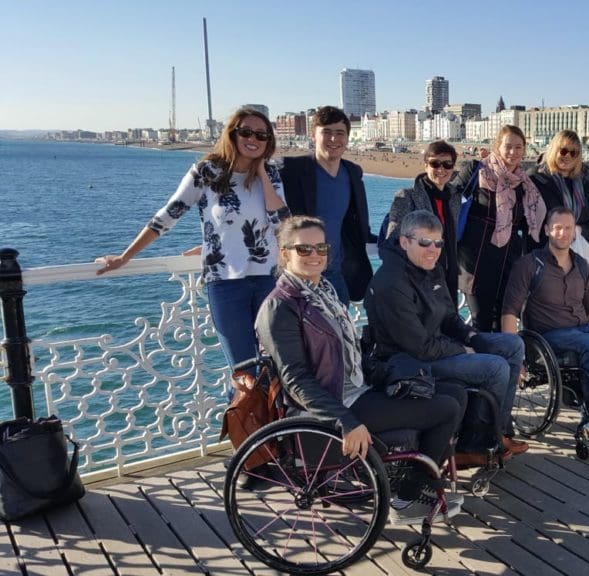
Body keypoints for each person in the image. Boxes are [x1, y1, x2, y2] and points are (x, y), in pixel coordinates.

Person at [255, 215, 466, 525]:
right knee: (445, 408)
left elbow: (349, 353)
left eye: (321, 247)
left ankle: (414, 482)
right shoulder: (281, 307)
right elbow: (296, 380)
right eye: (304, 249)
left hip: (358, 389)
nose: (315, 255)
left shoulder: (323, 291)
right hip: (334, 405)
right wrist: (345, 420)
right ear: (284, 253)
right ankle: (407, 495)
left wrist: (386, 375)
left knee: (455, 391)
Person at [96, 107, 289, 371]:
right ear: (232, 134)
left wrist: (262, 174)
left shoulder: (271, 173)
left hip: (270, 278)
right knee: (244, 369)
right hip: (226, 282)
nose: (253, 139)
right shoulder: (207, 172)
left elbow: (282, 222)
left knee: (276, 366)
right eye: (246, 132)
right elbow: (168, 215)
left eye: (261, 135)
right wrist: (125, 256)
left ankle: (274, 415)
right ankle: (243, 414)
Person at [366, 210, 528, 468]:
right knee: (494, 367)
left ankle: (497, 431)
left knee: (512, 345)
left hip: (436, 346)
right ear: (404, 242)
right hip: (406, 361)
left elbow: (450, 318)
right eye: (424, 243)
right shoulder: (391, 282)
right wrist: (463, 351)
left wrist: (472, 337)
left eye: (438, 243)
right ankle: (471, 444)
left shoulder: (431, 269)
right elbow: (418, 346)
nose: (433, 250)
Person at [501, 207, 589, 445]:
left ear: (574, 233)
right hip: (549, 335)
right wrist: (515, 357)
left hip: (583, 327)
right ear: (547, 231)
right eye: (557, 227)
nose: (563, 233)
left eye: (568, 228)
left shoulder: (581, 264)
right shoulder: (529, 265)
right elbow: (510, 311)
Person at [280, 106, 374, 304]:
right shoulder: (291, 170)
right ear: (314, 135)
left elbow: (354, 222)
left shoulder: (352, 172)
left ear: (347, 138)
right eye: (327, 133)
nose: (334, 139)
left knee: (339, 332)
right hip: (300, 275)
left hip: (336, 273)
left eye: (340, 133)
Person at [456, 125, 546, 332]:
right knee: (481, 320)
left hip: (508, 259)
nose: (513, 152)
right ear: (497, 146)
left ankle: (503, 363)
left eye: (518, 147)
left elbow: (528, 223)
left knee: (505, 318)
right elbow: (452, 199)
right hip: (476, 260)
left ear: (524, 150)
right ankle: (484, 364)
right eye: (508, 146)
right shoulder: (476, 171)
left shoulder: (524, 183)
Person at [384, 140, 461, 302]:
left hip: (448, 277)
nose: (441, 169)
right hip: (420, 279)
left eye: (447, 164)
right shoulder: (407, 196)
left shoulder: (454, 198)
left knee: (448, 324)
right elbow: (392, 242)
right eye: (435, 163)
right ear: (426, 165)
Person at [528, 130, 589, 266]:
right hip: (544, 256)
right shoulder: (536, 179)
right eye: (563, 151)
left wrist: (579, 230)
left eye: (573, 153)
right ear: (554, 149)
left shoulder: (588, 181)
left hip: (580, 253)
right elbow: (528, 221)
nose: (568, 156)